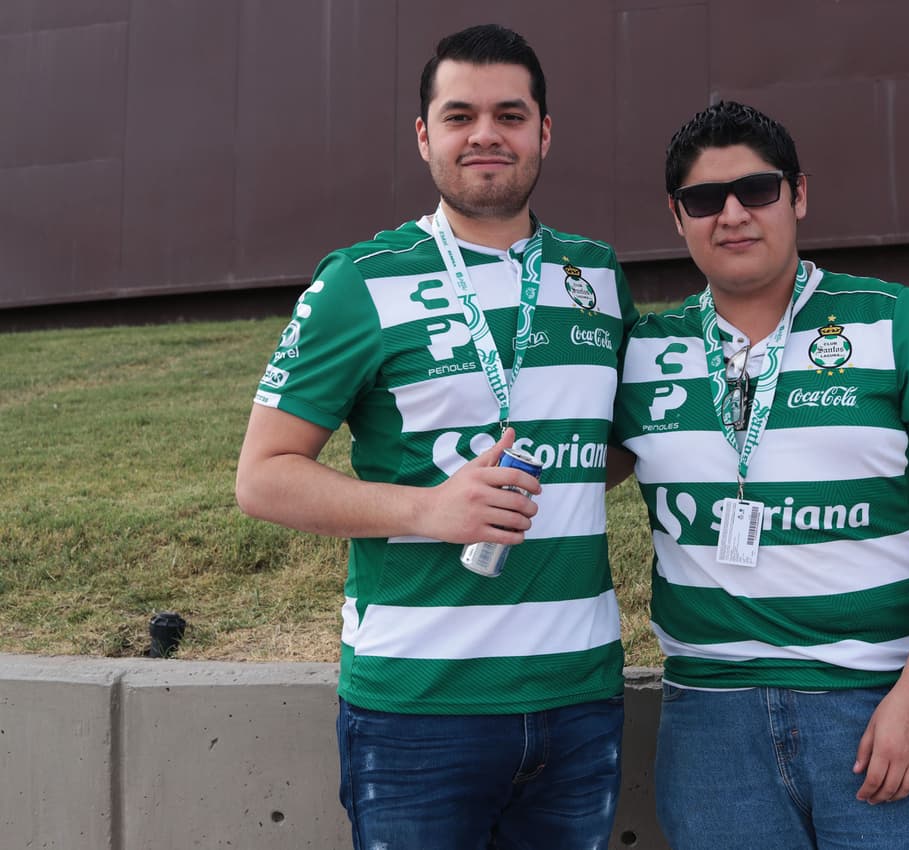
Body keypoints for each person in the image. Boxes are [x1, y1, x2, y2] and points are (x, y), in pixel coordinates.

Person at [235, 24, 636, 850]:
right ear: (425, 137)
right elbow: (264, 477)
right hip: (419, 712)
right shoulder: (360, 281)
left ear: (544, 133)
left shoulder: (596, 275)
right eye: (459, 116)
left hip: (579, 696)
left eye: (510, 114)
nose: (485, 134)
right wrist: (433, 510)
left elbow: (618, 444)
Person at [610, 101, 909, 849]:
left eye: (756, 191)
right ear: (677, 217)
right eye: (705, 200)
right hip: (710, 718)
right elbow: (562, 474)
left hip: (878, 701)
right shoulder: (644, 353)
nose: (732, 214)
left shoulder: (891, 321)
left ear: (798, 195)